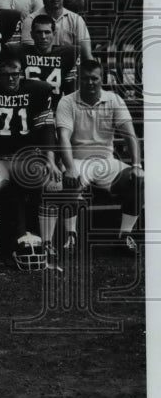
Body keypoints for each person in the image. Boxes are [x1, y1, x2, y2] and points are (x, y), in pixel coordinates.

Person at [0, 52, 57, 264]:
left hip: (26, 157)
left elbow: (46, 129)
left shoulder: (37, 90)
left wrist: (51, 161)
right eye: (6, 75)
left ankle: (47, 241)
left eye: (16, 74)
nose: (11, 79)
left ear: (22, 74)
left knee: (53, 182)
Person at [55, 59, 143, 253]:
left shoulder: (113, 99)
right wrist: (69, 168)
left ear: (101, 78)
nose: (90, 82)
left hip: (106, 162)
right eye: (85, 78)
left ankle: (124, 236)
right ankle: (71, 236)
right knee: (70, 179)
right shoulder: (67, 101)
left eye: (94, 78)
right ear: (79, 78)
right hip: (77, 159)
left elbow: (130, 135)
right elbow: (63, 137)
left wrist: (136, 165)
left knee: (140, 180)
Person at [8, 13, 77, 109]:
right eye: (39, 32)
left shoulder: (67, 54)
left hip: (54, 110)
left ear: (54, 34)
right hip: (25, 109)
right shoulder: (18, 52)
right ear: (32, 35)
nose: (43, 36)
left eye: (47, 32)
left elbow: (72, 92)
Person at [19, 0, 93, 61]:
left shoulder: (76, 19)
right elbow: (27, 54)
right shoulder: (31, 19)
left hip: (69, 67)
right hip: (40, 65)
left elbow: (86, 54)